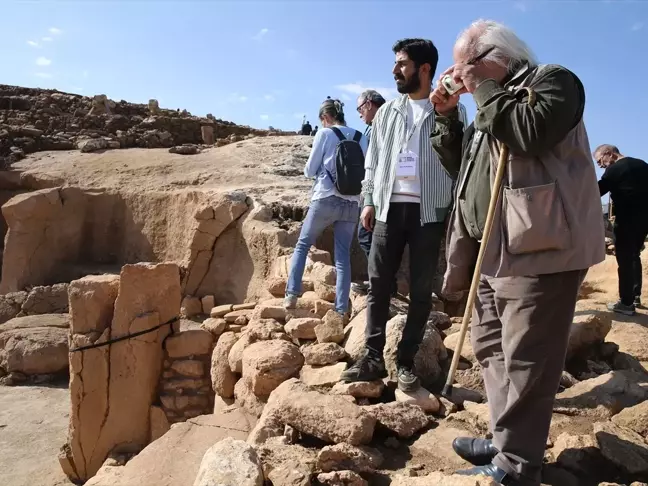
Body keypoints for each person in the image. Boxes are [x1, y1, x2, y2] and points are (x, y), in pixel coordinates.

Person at [430, 20, 605, 485]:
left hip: (538, 247)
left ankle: (516, 466)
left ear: (495, 57)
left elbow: (528, 133)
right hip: (492, 249)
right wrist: (448, 118)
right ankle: (509, 439)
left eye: (464, 63)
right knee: (491, 348)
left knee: (527, 357)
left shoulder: (552, 81)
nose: (457, 74)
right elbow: (464, 166)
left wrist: (481, 86)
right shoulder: (491, 103)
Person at [340, 38, 451, 393]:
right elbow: (372, 160)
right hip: (388, 207)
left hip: (429, 211)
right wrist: (368, 199)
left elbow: (458, 161)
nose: (394, 70)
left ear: (424, 69)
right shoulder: (387, 112)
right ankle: (372, 358)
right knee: (378, 285)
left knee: (421, 291)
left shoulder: (451, 111)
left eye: (402, 64)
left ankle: (405, 361)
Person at [284, 99, 368, 317]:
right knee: (343, 256)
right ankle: (340, 310)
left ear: (325, 118)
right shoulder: (361, 137)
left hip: (326, 198)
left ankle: (291, 295)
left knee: (302, 245)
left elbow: (310, 170)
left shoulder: (324, 134)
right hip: (352, 202)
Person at [595, 144, 648, 315]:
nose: (601, 166)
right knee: (634, 255)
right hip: (644, 219)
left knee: (625, 259)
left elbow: (596, 192)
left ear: (609, 154)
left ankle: (626, 303)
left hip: (626, 219)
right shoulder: (642, 164)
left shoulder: (614, 170)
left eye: (600, 161)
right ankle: (635, 295)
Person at [352, 89, 387, 294]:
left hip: (378, 194)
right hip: (377, 193)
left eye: (359, 109)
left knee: (367, 237)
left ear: (368, 104)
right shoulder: (373, 127)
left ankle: (381, 284)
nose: (359, 114)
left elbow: (375, 164)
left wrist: (369, 200)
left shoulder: (381, 126)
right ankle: (383, 283)